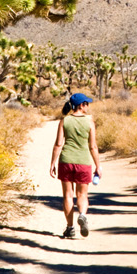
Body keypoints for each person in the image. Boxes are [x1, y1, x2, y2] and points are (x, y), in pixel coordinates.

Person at [49, 92, 101, 238]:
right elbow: (93, 147)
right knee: (82, 194)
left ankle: (70, 228)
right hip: (83, 161)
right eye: (86, 103)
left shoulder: (64, 121)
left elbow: (58, 144)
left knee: (67, 195)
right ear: (81, 105)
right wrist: (98, 166)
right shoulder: (90, 122)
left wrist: (53, 163)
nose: (88, 106)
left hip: (66, 160)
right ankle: (82, 215)